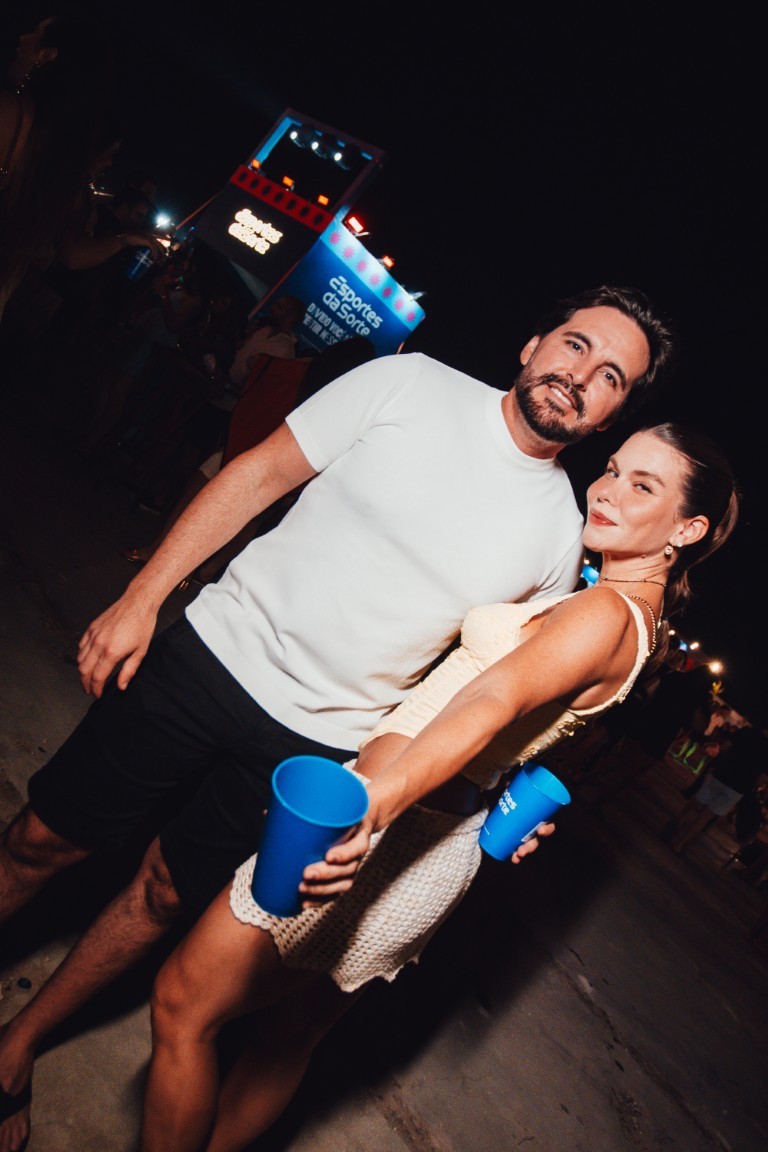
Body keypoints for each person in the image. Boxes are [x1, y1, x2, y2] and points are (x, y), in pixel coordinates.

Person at [0, 284, 673, 1145]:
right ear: (533, 343)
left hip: (316, 748)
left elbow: (503, 687)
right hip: (212, 656)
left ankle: (18, 1045)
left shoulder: (560, 537)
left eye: (611, 376)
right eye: (577, 345)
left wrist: (503, 802)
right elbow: (257, 475)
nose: (581, 375)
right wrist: (144, 595)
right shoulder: (410, 383)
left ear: (613, 413)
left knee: (165, 893)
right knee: (42, 839)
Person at [138, 421, 740, 1151]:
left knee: (182, 1002)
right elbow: (541, 723)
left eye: (642, 486)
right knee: (285, 1041)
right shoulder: (635, 619)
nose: (607, 491)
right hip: (433, 836)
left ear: (687, 529)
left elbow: (492, 701)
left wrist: (370, 806)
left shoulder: (604, 613)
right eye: (612, 469)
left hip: (390, 829)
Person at [662, 721, 768, 853]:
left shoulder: (747, 732)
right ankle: (679, 844)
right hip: (737, 788)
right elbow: (760, 780)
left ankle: (675, 825)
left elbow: (724, 747)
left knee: (695, 804)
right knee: (705, 817)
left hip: (722, 774)